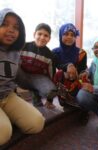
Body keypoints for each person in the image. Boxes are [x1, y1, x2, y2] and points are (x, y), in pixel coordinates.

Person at [0, 8, 45, 145]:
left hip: (7, 96)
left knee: (37, 123)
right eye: (5, 24)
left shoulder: (16, 51)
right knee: (3, 133)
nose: (11, 30)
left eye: (16, 27)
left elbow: (19, 77)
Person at [17, 23, 57, 109]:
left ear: (49, 39)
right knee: (12, 67)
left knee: (51, 90)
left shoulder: (50, 56)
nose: (42, 37)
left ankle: (35, 94)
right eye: (39, 34)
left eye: (46, 35)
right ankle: (12, 95)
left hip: (37, 79)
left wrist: (50, 100)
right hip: (21, 76)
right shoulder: (23, 46)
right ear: (34, 34)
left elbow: (51, 75)